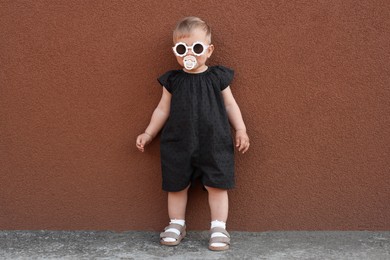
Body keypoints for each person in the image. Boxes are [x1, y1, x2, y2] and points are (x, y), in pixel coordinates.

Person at [136, 16, 249, 251]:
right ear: (174, 51)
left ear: (209, 50)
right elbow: (162, 109)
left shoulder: (218, 77)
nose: (190, 54)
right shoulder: (173, 80)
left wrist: (241, 128)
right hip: (179, 142)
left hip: (214, 141)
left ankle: (219, 226)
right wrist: (148, 132)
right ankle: (176, 223)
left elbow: (230, 105)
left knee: (218, 185)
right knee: (176, 185)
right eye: (182, 49)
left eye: (197, 48)